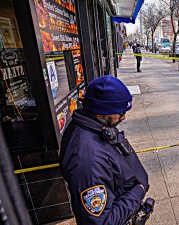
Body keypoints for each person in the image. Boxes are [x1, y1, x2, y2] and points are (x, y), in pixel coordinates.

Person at [60, 76, 150, 224]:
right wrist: (138, 190)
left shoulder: (93, 125)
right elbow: (101, 222)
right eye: (120, 113)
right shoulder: (88, 161)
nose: (124, 117)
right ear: (101, 112)